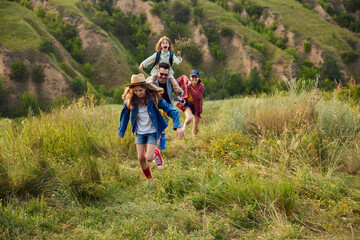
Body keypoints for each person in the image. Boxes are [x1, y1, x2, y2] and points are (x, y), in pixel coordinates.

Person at [118, 73, 184, 181]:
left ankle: (156, 153)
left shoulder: (154, 98)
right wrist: (122, 131)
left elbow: (172, 111)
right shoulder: (130, 101)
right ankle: (150, 179)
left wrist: (178, 126)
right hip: (139, 132)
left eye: (140, 90)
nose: (138, 93)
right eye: (136, 91)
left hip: (152, 131)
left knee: (148, 158)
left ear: (145, 88)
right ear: (132, 90)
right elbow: (124, 116)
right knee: (140, 158)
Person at [176, 70, 204, 137]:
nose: (194, 79)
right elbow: (181, 78)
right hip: (188, 104)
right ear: (190, 77)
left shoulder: (201, 86)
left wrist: (189, 87)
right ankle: (183, 130)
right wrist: (177, 88)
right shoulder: (186, 81)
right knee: (189, 118)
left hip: (196, 106)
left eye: (196, 77)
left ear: (198, 78)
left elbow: (196, 96)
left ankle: (194, 139)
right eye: (192, 77)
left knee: (195, 128)